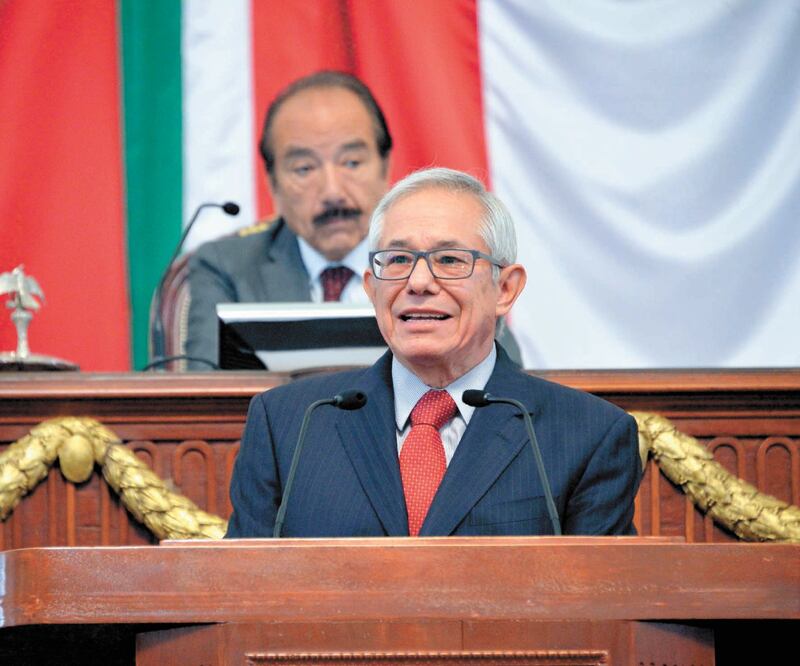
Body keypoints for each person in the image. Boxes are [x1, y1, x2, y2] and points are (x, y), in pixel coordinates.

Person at [225, 167, 642, 538]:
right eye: (399, 259)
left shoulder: (588, 436)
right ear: (372, 289)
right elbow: (238, 597)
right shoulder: (289, 426)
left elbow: (600, 612)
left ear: (505, 288)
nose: (418, 282)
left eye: (448, 259)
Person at [185, 71, 520, 369]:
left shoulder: (448, 260)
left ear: (385, 166)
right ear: (273, 184)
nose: (332, 191)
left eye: (352, 163)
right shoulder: (228, 267)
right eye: (304, 168)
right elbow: (202, 400)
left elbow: (504, 374)